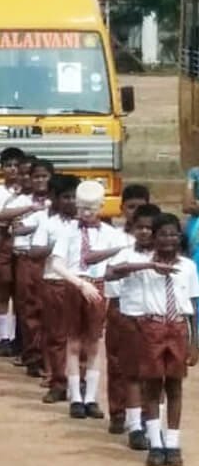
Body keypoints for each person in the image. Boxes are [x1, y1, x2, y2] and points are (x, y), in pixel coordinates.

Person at [126, 214, 198, 466]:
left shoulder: (188, 266)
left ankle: (173, 443)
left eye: (173, 234)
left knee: (175, 386)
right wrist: (148, 267)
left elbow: (194, 305)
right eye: (163, 234)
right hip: (152, 327)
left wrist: (194, 342)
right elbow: (113, 272)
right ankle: (155, 444)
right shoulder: (144, 264)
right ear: (153, 238)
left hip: (178, 327)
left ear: (179, 238)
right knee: (153, 386)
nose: (169, 239)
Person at [48, 180, 122, 420]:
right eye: (82, 208)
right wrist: (79, 283)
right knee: (73, 342)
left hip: (98, 286)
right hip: (75, 284)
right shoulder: (67, 231)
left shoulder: (111, 235)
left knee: (93, 342)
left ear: (101, 207)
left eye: (91, 208)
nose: (85, 213)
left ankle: (91, 397)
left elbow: (115, 265)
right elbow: (57, 264)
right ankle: (76, 397)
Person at [106, 203, 162, 450]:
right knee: (132, 374)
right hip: (130, 320)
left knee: (156, 377)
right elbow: (110, 273)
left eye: (150, 229)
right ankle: (134, 426)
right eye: (140, 227)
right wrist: (143, 266)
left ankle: (153, 425)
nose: (145, 233)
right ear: (133, 229)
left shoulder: (167, 256)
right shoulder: (126, 253)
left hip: (158, 323)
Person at [103, 185, 151, 436]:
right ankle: (118, 412)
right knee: (117, 361)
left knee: (145, 365)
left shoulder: (155, 240)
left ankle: (143, 414)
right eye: (131, 207)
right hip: (118, 302)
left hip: (144, 309)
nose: (134, 213)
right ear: (122, 209)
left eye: (140, 208)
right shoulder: (113, 237)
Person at [31, 174, 80, 403]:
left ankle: (80, 385)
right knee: (56, 335)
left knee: (81, 336)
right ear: (56, 199)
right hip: (54, 281)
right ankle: (58, 382)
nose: (70, 202)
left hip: (81, 283)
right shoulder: (48, 224)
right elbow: (34, 252)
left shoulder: (86, 225)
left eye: (74, 197)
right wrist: (58, 245)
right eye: (66, 197)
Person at [10, 158, 53, 378]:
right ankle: (33, 356)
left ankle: (49, 359)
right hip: (26, 257)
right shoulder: (22, 200)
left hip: (52, 259)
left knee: (50, 310)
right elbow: (10, 224)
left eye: (44, 176)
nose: (39, 180)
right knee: (28, 308)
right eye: (35, 176)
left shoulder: (57, 202)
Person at [0, 147, 26, 357]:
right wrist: (5, 218)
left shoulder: (28, 193)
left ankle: (18, 336)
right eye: (8, 165)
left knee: (22, 293)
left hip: (24, 243)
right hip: (3, 242)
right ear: (2, 169)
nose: (12, 170)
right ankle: (3, 338)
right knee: (3, 291)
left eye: (16, 165)